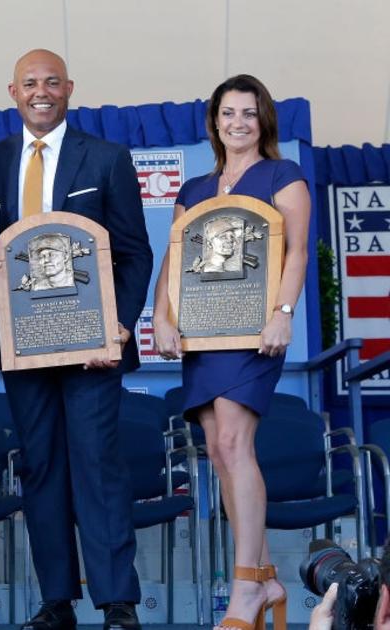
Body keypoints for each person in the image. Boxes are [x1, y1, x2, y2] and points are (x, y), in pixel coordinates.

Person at [0, 49, 153, 630]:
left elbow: (134, 252)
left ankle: (116, 600)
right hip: (23, 344)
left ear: (70, 88)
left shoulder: (104, 158)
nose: (41, 92)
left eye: (52, 82)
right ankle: (57, 601)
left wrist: (121, 325)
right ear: (12, 91)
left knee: (97, 465)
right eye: (30, 83)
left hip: (92, 348)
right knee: (41, 467)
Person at [152, 74, 310, 630]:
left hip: (255, 333)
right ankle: (265, 578)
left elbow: (295, 252)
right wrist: (161, 317)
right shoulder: (194, 189)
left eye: (248, 113)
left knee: (235, 442)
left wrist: (283, 315)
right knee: (218, 450)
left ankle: (245, 589)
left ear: (263, 119)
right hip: (204, 334)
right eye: (227, 113)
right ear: (214, 121)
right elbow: (172, 263)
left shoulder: (283, 176)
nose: (237, 122)